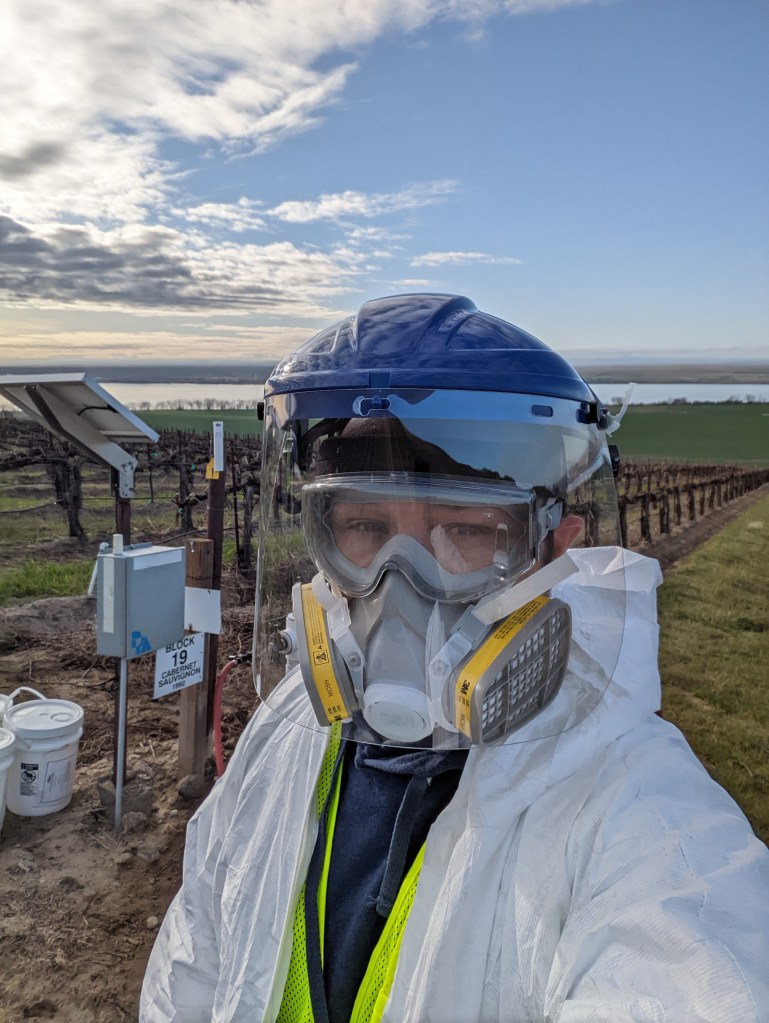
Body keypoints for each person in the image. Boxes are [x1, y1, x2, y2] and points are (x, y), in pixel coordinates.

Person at [141, 293, 769, 1023]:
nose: (401, 584)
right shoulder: (287, 729)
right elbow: (195, 956)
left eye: (466, 532)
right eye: (364, 525)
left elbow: (696, 974)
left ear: (554, 549)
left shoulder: (639, 816)